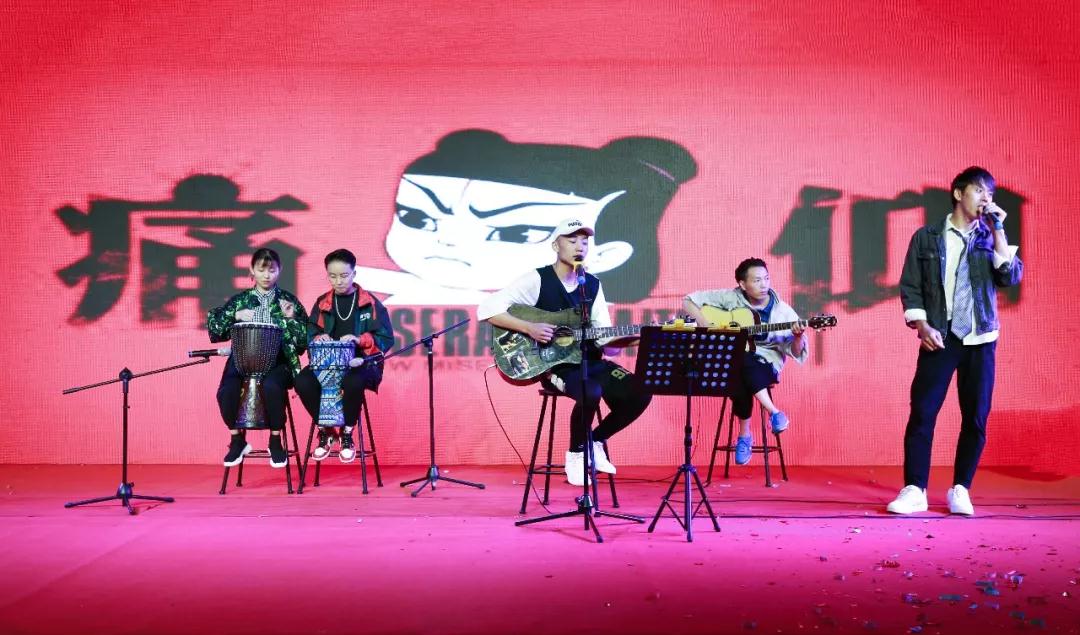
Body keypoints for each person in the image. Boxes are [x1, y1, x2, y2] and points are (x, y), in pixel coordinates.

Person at [887, 166, 1022, 516]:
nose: (986, 199)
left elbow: (1009, 276)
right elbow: (911, 286)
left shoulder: (991, 236)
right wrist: (922, 326)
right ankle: (915, 489)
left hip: (981, 337)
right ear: (959, 193)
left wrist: (999, 229)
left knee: (976, 416)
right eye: (979, 191)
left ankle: (961, 488)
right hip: (941, 336)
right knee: (923, 412)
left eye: (990, 194)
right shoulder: (927, 237)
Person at [478, 217, 651, 486]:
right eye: (572, 240)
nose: (579, 246)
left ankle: (595, 441)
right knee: (590, 390)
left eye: (585, 241)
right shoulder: (538, 279)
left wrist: (635, 340)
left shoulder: (591, 285)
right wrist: (529, 327)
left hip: (590, 361)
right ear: (555, 246)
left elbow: (603, 336)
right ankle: (576, 455)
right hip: (554, 366)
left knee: (640, 392)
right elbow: (487, 309)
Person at [682, 258, 808, 465]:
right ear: (742, 284)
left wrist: (798, 336)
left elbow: (795, 351)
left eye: (766, 279)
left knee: (738, 364)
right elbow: (688, 300)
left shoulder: (783, 312)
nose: (764, 284)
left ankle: (745, 435)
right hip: (735, 362)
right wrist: (705, 324)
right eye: (757, 280)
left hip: (766, 364)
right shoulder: (731, 298)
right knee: (738, 359)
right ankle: (774, 413)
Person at [207, 248, 309, 468]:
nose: (266, 275)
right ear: (252, 270)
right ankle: (237, 440)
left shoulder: (288, 301)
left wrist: (292, 318)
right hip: (243, 360)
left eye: (272, 270)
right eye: (261, 270)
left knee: (272, 386)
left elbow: (304, 341)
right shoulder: (241, 300)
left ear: (280, 271)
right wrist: (235, 316)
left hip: (278, 360)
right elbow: (215, 331)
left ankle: (275, 440)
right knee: (226, 391)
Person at [294, 249, 394, 462]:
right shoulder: (323, 302)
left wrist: (359, 340)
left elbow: (386, 338)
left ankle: (347, 433)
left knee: (352, 381)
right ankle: (327, 431)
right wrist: (317, 338)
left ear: (354, 274)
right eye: (332, 276)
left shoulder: (369, 302)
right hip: (327, 363)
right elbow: (311, 333)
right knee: (302, 381)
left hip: (362, 362)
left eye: (344, 275)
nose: (338, 281)